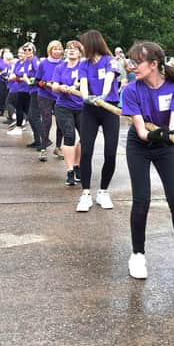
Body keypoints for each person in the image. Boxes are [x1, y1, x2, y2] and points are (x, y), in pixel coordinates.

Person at [121, 41, 174, 283]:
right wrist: (154, 134)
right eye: (131, 61)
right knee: (142, 200)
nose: (132, 66)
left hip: (165, 146)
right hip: (140, 145)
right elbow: (140, 131)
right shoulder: (131, 90)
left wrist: (172, 134)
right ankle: (138, 254)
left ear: (153, 64)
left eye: (136, 62)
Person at [76, 29, 121, 212]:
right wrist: (87, 97)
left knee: (110, 151)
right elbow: (84, 84)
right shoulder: (84, 64)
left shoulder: (110, 60)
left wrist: (102, 95)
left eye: (83, 44)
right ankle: (86, 193)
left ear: (92, 44)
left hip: (109, 108)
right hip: (90, 110)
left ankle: (103, 191)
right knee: (86, 151)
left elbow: (110, 79)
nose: (81, 48)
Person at [52, 40, 84, 185]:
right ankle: (70, 170)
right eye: (69, 49)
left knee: (85, 137)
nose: (71, 51)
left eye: (75, 49)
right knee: (69, 135)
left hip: (82, 107)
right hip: (63, 106)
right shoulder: (60, 67)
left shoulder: (84, 67)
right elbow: (54, 86)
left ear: (80, 52)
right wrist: (61, 87)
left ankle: (77, 165)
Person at [34, 40, 64, 160]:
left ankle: (58, 147)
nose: (57, 51)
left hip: (59, 96)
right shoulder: (43, 63)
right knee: (46, 121)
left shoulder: (64, 64)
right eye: (54, 49)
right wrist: (44, 84)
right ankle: (43, 148)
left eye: (59, 49)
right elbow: (36, 81)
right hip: (44, 95)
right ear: (49, 50)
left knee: (60, 122)